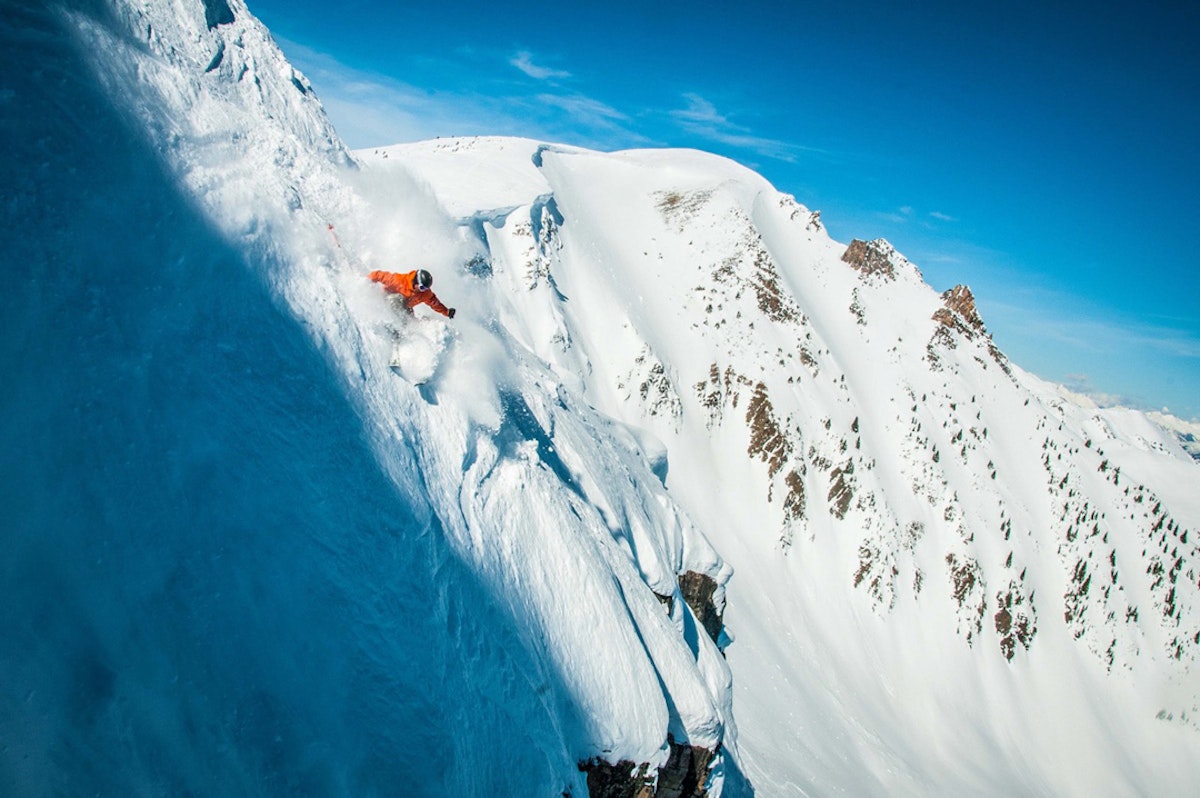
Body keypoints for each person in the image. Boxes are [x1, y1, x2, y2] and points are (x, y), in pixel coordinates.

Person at [368, 268, 456, 318]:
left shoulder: (425, 293)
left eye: (426, 288)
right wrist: (367, 282)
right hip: (387, 300)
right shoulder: (399, 281)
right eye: (422, 287)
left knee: (410, 319)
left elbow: (434, 302)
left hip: (404, 309)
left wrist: (447, 312)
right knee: (398, 298)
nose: (423, 290)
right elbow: (378, 275)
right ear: (416, 282)